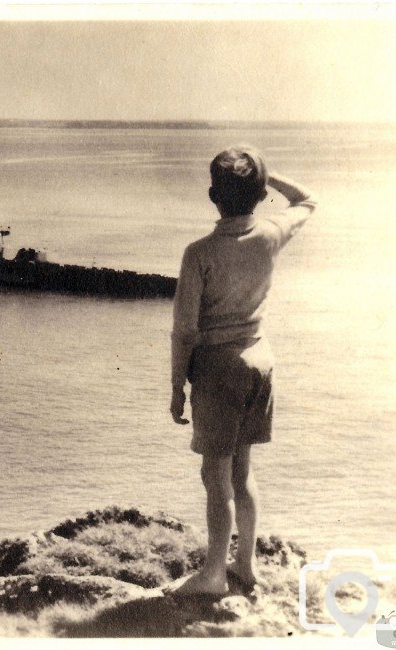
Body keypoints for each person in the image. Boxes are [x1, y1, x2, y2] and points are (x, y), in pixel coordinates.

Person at [170, 146, 317, 596]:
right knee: (243, 471)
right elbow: (308, 200)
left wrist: (177, 386)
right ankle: (245, 567)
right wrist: (266, 178)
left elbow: (184, 332)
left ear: (213, 194)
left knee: (215, 478)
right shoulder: (271, 233)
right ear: (258, 194)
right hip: (260, 360)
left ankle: (213, 575)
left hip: (218, 369)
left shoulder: (199, 253)